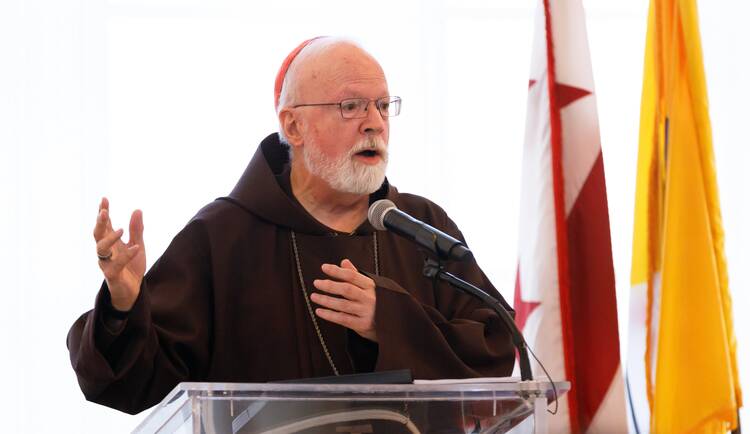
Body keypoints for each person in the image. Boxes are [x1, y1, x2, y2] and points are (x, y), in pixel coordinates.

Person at [67, 37, 515, 415]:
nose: (375, 123)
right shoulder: (222, 237)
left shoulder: (421, 227)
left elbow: (496, 347)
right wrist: (124, 307)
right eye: (351, 106)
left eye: (382, 105)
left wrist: (390, 320)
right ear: (293, 126)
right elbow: (132, 384)